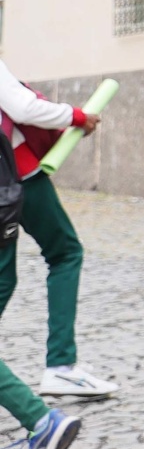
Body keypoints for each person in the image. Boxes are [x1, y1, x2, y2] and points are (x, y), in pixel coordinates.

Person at [0, 62, 92, 449]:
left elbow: (20, 105)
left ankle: (42, 416)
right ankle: (53, 381)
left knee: (61, 252)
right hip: (13, 183)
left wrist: (73, 116)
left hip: (13, 182)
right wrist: (75, 116)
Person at [0, 67, 114, 402]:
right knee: (65, 253)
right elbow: (23, 107)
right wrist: (77, 117)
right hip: (16, 176)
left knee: (5, 275)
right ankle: (61, 366)